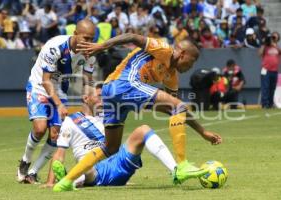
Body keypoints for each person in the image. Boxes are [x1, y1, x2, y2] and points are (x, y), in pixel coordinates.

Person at [53, 33, 222, 192]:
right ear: (183, 54)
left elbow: (178, 112)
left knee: (111, 147)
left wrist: (203, 132)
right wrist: (102, 46)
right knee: (178, 106)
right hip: (124, 84)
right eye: (191, 63)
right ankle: (182, 165)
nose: (189, 68)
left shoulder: (171, 76)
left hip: (110, 92)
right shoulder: (164, 49)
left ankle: (66, 181)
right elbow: (133, 36)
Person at [43, 84, 178, 188]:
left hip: (118, 163)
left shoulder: (110, 115)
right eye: (99, 96)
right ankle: (70, 181)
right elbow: (59, 153)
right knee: (86, 167)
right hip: (93, 172)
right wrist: (50, 182)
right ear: (86, 98)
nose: (103, 100)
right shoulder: (71, 121)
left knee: (143, 130)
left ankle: (176, 170)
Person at [17, 19, 97, 184]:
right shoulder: (55, 47)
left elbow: (88, 78)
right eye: (85, 38)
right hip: (39, 84)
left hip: (60, 88)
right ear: (75, 34)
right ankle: (25, 161)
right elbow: (46, 80)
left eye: (91, 39)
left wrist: (87, 94)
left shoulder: (90, 53)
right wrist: (59, 104)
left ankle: (32, 173)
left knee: (55, 134)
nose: (89, 43)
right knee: (39, 129)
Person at [259, 32, 281, 108]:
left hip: (274, 70)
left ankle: (270, 104)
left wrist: (275, 46)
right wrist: (264, 44)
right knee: (265, 87)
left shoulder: (277, 47)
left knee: (272, 88)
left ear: (278, 39)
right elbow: (260, 54)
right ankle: (265, 104)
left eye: (275, 37)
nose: (273, 38)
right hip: (265, 70)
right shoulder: (266, 46)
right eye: (272, 37)